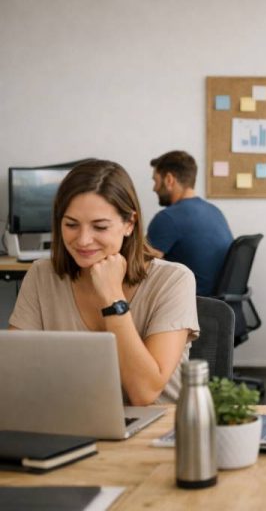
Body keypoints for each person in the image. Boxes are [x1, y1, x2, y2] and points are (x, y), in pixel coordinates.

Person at [9, 159, 199, 405]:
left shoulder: (174, 280)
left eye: (99, 226)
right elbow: (12, 370)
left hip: (156, 433)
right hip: (70, 425)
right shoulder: (41, 275)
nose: (84, 240)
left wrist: (112, 298)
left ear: (129, 224)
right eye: (71, 225)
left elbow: (144, 393)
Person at [147, 150, 233, 296]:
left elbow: (138, 266)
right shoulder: (214, 211)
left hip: (192, 304)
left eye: (156, 181)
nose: (154, 188)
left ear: (169, 180)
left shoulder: (168, 218)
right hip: (219, 308)